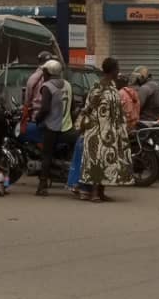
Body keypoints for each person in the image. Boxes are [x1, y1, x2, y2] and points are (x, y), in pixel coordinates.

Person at [77, 57, 132, 202]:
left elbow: (118, 110)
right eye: (117, 68)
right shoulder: (98, 86)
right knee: (97, 160)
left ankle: (101, 192)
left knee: (108, 162)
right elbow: (89, 107)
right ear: (112, 70)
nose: (119, 71)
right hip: (97, 131)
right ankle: (94, 193)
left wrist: (122, 127)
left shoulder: (113, 87)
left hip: (111, 131)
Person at [35, 59, 75, 196]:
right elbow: (73, 107)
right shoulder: (68, 85)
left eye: (44, 72)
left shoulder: (47, 87)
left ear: (49, 73)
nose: (43, 74)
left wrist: (37, 118)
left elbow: (45, 108)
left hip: (52, 127)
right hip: (68, 127)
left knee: (46, 156)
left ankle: (42, 186)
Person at [25, 50, 54, 122]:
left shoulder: (32, 78)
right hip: (51, 119)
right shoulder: (54, 78)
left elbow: (27, 101)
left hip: (36, 118)